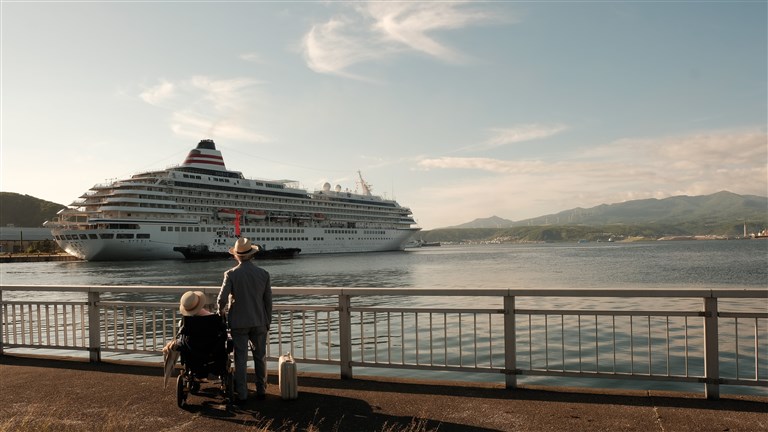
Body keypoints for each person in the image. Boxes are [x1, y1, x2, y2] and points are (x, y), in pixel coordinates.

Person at [217, 237, 272, 404]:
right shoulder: (263, 274)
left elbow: (221, 299)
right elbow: (268, 301)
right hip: (259, 320)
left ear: (236, 256)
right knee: (260, 357)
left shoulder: (231, 274)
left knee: (240, 359)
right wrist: (267, 320)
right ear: (252, 255)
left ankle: (242, 394)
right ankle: (261, 390)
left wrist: (220, 312)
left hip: (238, 322)